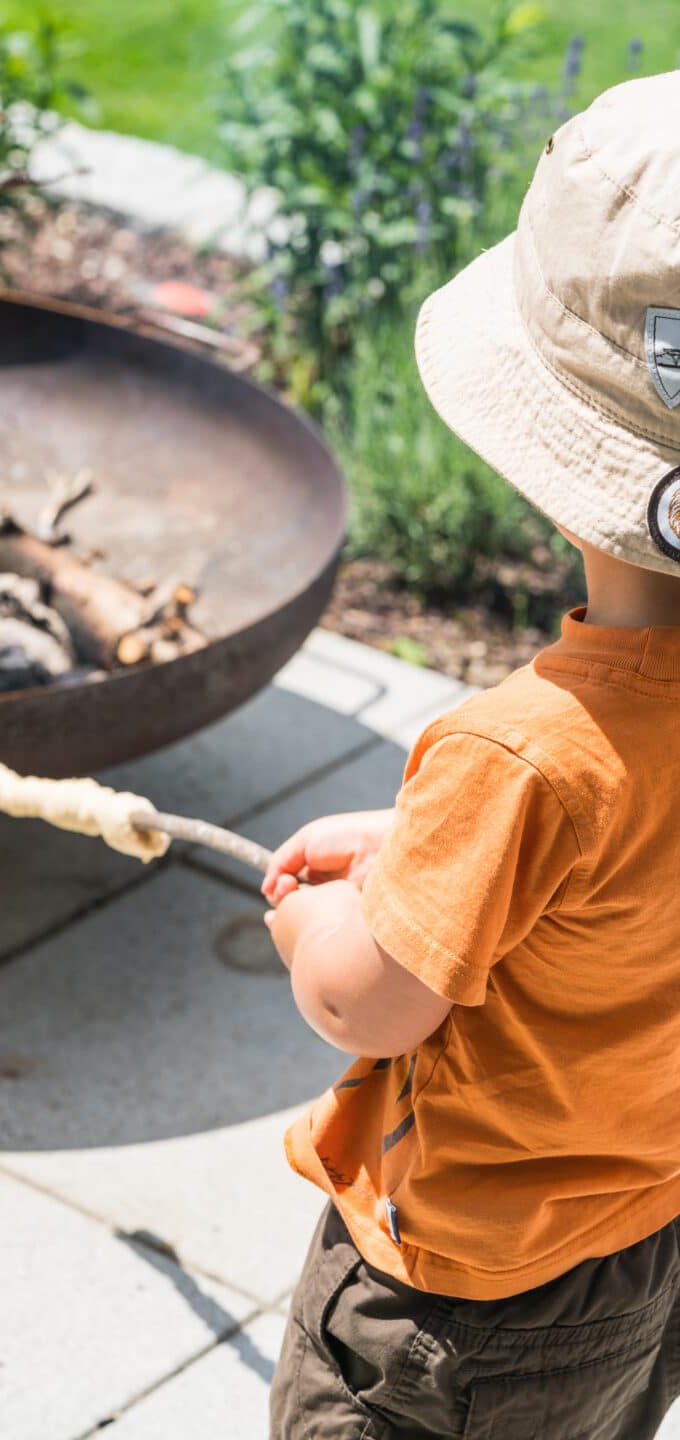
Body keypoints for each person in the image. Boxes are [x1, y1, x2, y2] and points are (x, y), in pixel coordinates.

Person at [263, 71, 680, 1440]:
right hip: (641, 1241)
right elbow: (622, 889)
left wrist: (327, 921)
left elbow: (371, 1006)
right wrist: (422, 862)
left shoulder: (523, 755)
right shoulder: (546, 782)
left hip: (455, 1314)